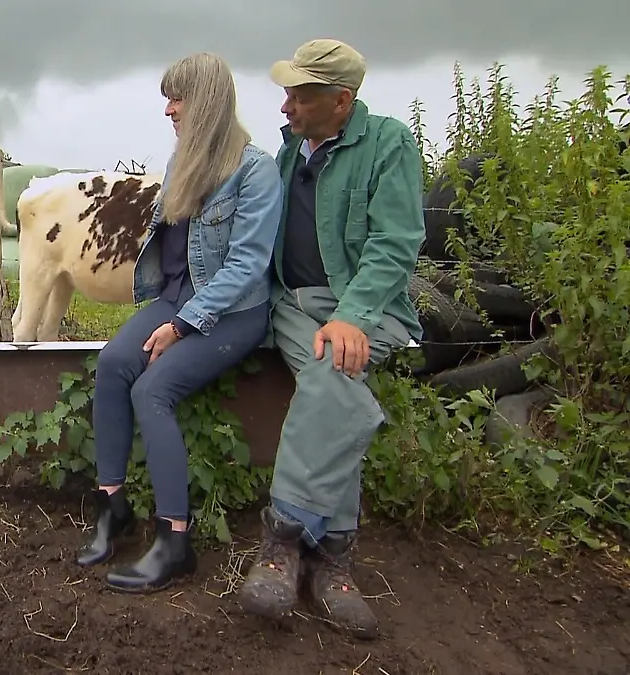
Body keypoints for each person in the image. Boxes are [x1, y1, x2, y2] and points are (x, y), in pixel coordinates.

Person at [236, 39, 426, 638]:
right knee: (337, 376)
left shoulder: (389, 145)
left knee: (332, 373)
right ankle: (335, 563)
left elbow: (395, 242)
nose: (287, 102)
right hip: (292, 305)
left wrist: (353, 317)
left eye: (301, 93)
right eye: (287, 90)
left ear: (340, 101)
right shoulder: (287, 152)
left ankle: (284, 541)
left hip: (358, 305)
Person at [75, 52, 284, 593]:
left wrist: (182, 326)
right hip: (179, 297)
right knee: (114, 363)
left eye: (178, 98)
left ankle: (175, 540)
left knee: (153, 391)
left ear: (207, 102)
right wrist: (169, 311)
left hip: (233, 312)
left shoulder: (257, 171)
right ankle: (112, 505)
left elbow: (245, 266)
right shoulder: (181, 161)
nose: (169, 109)